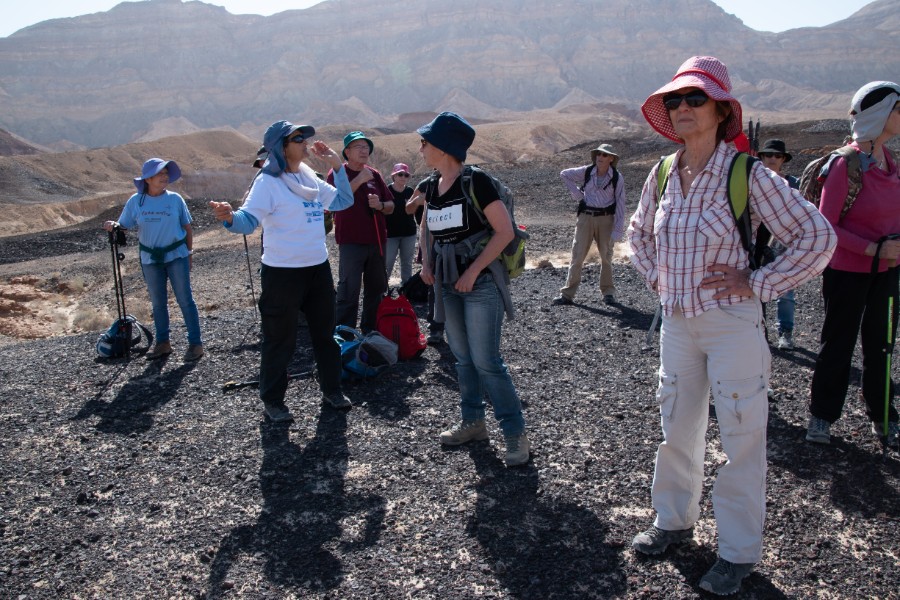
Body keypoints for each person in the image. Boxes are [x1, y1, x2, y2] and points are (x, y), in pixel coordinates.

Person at [627, 56, 836, 596]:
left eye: (694, 99)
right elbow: (639, 231)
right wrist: (657, 278)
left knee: (742, 435)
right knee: (677, 425)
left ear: (722, 110)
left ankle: (738, 552)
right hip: (677, 323)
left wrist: (759, 282)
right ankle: (672, 521)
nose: (682, 108)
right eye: (674, 100)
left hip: (732, 323)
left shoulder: (748, 174)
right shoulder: (664, 172)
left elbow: (817, 237)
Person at [209, 120, 355, 422]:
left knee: (325, 336)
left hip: (318, 268)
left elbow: (342, 201)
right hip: (282, 274)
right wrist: (228, 217)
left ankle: (332, 389)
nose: (305, 142)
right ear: (281, 146)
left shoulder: (309, 178)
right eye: (297, 138)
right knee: (280, 339)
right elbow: (247, 221)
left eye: (305, 137)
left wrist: (337, 165)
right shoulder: (268, 182)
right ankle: (273, 400)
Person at [417, 111, 530, 467]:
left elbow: (505, 231)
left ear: (444, 147)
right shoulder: (433, 185)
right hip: (448, 282)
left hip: (480, 283)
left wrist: (474, 270)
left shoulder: (476, 182)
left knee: (487, 362)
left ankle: (514, 434)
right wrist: (426, 263)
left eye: (426, 142)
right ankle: (473, 422)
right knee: (463, 359)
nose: (420, 147)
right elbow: (428, 225)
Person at [808, 81, 900, 450]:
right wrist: (872, 250)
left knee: (883, 345)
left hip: (888, 273)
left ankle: (883, 415)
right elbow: (825, 225)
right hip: (848, 271)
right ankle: (822, 416)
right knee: (838, 343)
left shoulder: (891, 163)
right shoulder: (845, 164)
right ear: (880, 113)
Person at [103, 158, 204, 362]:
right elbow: (123, 225)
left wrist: (190, 253)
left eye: (166, 173)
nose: (165, 177)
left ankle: (195, 344)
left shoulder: (175, 199)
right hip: (150, 259)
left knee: (185, 299)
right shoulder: (136, 201)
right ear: (147, 179)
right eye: (160, 173)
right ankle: (163, 343)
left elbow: (187, 228)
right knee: (158, 303)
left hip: (177, 256)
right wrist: (112, 225)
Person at [328, 131, 394, 333]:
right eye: (359, 147)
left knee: (376, 289)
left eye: (367, 147)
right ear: (347, 152)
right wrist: (358, 180)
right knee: (349, 290)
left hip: (376, 240)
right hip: (351, 242)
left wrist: (380, 205)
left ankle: (371, 331)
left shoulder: (375, 174)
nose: (365, 151)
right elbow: (333, 202)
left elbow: (391, 205)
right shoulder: (337, 174)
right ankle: (344, 335)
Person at [553, 143, 626, 306]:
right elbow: (564, 174)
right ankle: (567, 294)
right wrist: (577, 194)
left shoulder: (617, 177)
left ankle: (608, 293)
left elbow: (621, 203)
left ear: (611, 159)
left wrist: (618, 229)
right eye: (598, 154)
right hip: (585, 218)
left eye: (604, 155)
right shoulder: (587, 171)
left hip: (606, 219)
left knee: (606, 257)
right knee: (577, 255)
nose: (600, 157)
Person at [758, 139, 800, 350]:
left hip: (784, 247)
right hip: (757, 245)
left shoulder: (794, 185)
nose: (772, 159)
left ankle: (785, 332)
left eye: (777, 156)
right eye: (768, 155)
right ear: (762, 157)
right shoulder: (751, 184)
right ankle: (759, 333)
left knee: (786, 293)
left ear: (783, 159)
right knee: (756, 291)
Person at [407, 176, 444, 344]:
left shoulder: (462, 180)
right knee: (433, 285)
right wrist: (418, 201)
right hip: (430, 239)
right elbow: (408, 208)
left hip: (454, 240)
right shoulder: (426, 183)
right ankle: (436, 326)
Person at [384, 163, 417, 284]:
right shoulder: (387, 191)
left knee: (407, 262)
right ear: (394, 176)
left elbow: (414, 211)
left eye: (406, 175)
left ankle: (406, 289)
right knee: (388, 262)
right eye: (400, 174)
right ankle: (382, 290)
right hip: (390, 234)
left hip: (409, 233)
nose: (403, 177)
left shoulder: (410, 191)